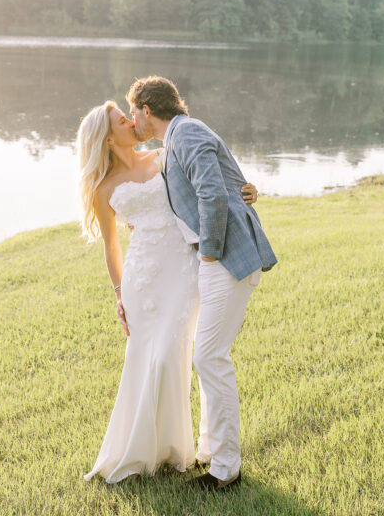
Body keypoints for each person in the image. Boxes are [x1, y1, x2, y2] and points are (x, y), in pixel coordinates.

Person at [77, 99, 259, 484]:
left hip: (184, 267)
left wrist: (241, 189)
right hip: (143, 277)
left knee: (174, 354)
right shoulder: (102, 187)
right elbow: (111, 246)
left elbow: (205, 180)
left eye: (129, 116)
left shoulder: (162, 154)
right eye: (121, 121)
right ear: (107, 139)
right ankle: (146, 449)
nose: (131, 122)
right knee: (148, 356)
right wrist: (118, 293)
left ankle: (180, 448)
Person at [127, 76, 277, 492]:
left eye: (132, 111)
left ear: (147, 109)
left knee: (210, 358)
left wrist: (209, 250)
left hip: (225, 257)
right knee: (208, 357)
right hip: (216, 259)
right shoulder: (176, 138)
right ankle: (212, 452)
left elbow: (212, 193)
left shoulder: (187, 132)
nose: (130, 120)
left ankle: (225, 470)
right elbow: (230, 181)